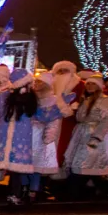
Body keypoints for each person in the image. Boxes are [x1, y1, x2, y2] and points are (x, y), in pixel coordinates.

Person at [0, 69, 68, 205]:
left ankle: (14, 194)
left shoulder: (32, 99)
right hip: (2, 137)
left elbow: (43, 116)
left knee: (17, 169)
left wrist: (59, 108)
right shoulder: (3, 97)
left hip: (21, 139)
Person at [63, 74, 108, 199]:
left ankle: (74, 191)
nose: (90, 86)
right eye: (88, 83)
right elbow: (81, 118)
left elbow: (107, 120)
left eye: (93, 84)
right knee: (86, 164)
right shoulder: (86, 100)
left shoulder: (105, 100)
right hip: (82, 134)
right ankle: (93, 190)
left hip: (93, 135)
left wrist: (97, 137)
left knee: (86, 163)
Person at [23, 72, 74, 201]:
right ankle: (23, 187)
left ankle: (33, 190)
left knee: (37, 165)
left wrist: (49, 135)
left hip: (41, 135)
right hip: (27, 134)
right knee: (23, 163)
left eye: (40, 82)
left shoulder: (53, 100)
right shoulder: (30, 98)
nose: (36, 84)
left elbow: (54, 120)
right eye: (36, 81)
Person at [51, 61, 84, 174]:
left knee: (65, 145)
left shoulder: (79, 84)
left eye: (65, 70)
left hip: (68, 120)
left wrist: (71, 110)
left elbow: (81, 102)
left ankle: (61, 172)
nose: (62, 73)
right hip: (51, 119)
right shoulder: (51, 84)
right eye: (60, 71)